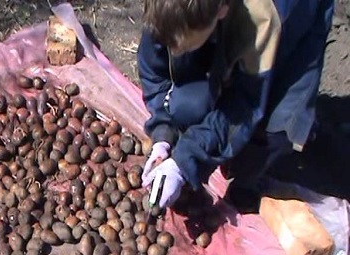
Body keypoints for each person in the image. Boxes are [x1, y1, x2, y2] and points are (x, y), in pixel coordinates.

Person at [138, 0, 335, 211]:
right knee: (188, 103)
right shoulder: (167, 7)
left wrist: (186, 162)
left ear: (221, 10)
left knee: (277, 125)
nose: (175, 51)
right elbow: (154, 71)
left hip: (292, 18)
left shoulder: (262, 17)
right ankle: (205, 140)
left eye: (183, 45)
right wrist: (163, 131)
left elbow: (246, 105)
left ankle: (247, 184)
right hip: (220, 22)